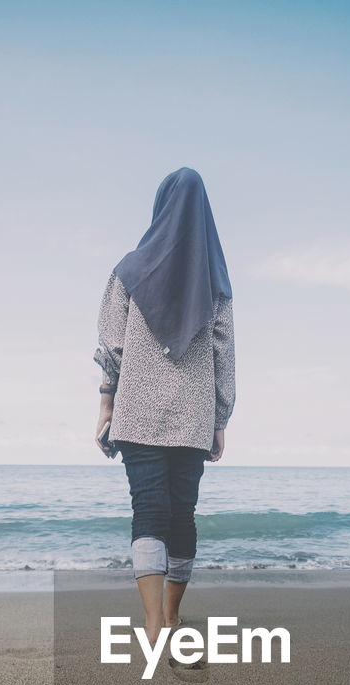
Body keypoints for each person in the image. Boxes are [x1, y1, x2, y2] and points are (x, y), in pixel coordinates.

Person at [93, 166, 236, 649]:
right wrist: (221, 419)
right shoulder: (216, 281)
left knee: (147, 510)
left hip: (137, 411)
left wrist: (106, 404)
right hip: (193, 414)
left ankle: (152, 622)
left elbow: (111, 345)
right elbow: (224, 354)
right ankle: (173, 617)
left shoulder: (128, 271)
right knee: (182, 515)